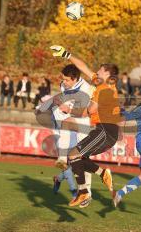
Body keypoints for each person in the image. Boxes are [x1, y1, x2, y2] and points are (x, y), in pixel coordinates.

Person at [50, 45, 121, 207]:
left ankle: (83, 192)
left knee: (74, 155)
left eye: (101, 71)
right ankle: (101, 175)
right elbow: (83, 67)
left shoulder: (104, 89)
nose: (97, 72)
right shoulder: (102, 83)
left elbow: (89, 111)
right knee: (78, 158)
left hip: (105, 130)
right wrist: (66, 54)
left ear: (108, 74)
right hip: (103, 130)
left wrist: (69, 109)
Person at [36, 64, 93, 208]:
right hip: (66, 121)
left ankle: (61, 179)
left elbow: (87, 111)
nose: (63, 82)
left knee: (81, 160)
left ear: (75, 79)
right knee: (73, 160)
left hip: (82, 122)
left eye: (67, 80)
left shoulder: (86, 89)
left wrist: (70, 109)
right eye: (63, 79)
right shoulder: (64, 85)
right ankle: (84, 192)